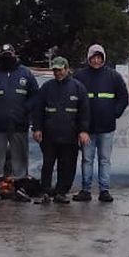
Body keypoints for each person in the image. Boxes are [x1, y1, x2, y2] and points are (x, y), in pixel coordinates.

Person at [0, 43, 37, 203]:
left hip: (19, 124)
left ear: (15, 55)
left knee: (20, 158)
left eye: (9, 55)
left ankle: (20, 189)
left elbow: (34, 95)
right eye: (4, 55)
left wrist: (26, 109)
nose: (7, 58)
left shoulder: (26, 73)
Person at [73, 42, 129, 202]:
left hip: (107, 128)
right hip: (87, 129)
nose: (96, 61)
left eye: (99, 57)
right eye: (93, 57)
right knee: (87, 159)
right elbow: (73, 99)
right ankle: (85, 190)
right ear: (88, 58)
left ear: (103, 58)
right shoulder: (79, 76)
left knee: (104, 160)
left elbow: (123, 97)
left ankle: (104, 190)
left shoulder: (113, 76)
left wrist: (115, 113)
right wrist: (79, 125)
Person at [31, 56, 90, 204]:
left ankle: (61, 192)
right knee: (48, 164)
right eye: (55, 70)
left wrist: (83, 130)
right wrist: (37, 128)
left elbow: (84, 111)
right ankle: (45, 191)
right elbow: (37, 109)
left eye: (60, 69)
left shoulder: (78, 88)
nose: (57, 73)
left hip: (70, 136)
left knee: (67, 165)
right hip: (49, 135)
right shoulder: (46, 88)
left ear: (67, 69)